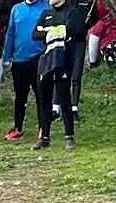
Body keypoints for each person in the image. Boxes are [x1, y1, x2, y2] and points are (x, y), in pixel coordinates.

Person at [31, 0, 74, 149]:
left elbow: (70, 30)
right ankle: (44, 137)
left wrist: (48, 30)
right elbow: (35, 34)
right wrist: (53, 30)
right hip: (46, 59)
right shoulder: (45, 13)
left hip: (63, 59)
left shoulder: (69, 12)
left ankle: (69, 136)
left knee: (64, 98)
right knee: (44, 99)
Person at [0, 0, 44, 140]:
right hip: (19, 59)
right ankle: (18, 128)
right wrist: (6, 56)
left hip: (39, 57)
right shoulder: (16, 9)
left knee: (41, 94)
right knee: (20, 96)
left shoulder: (46, 7)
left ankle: (43, 128)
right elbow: (11, 32)